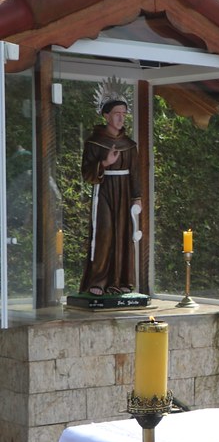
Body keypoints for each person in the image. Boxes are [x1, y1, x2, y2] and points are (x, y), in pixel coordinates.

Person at [80, 98, 142, 296]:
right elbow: (86, 173)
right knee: (104, 233)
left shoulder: (129, 145)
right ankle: (98, 280)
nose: (121, 118)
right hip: (105, 190)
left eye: (124, 114)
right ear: (106, 116)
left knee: (124, 233)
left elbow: (136, 173)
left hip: (124, 192)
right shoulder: (94, 142)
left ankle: (123, 280)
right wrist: (105, 163)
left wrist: (137, 197)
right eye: (117, 113)